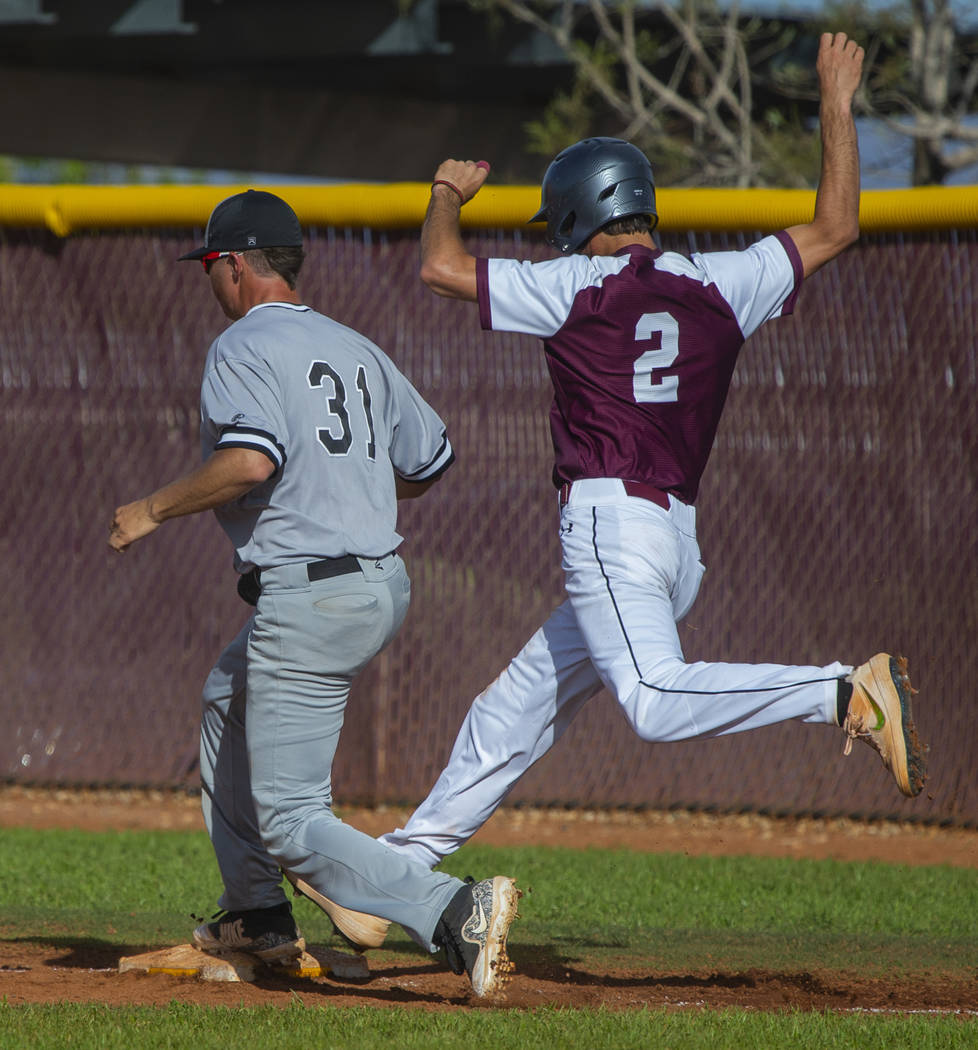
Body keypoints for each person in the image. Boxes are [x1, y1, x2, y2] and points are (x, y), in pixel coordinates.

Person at [366, 32, 927, 887]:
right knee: (513, 706)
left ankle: (842, 691)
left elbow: (440, 267)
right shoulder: (722, 282)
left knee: (655, 703)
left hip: (610, 523)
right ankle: (398, 874)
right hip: (676, 548)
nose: (555, 243)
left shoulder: (573, 287)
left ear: (583, 216)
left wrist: (445, 191)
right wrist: (837, 106)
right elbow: (837, 225)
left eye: (560, 228)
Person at [107, 189, 520, 998]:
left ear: (232, 266)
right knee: (226, 699)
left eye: (209, 267)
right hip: (379, 584)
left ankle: (453, 910)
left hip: (312, 598)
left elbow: (251, 461)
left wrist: (151, 508)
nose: (209, 281)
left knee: (294, 820)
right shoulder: (355, 345)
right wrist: (350, 484)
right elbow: (429, 463)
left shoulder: (241, 345)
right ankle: (256, 913)